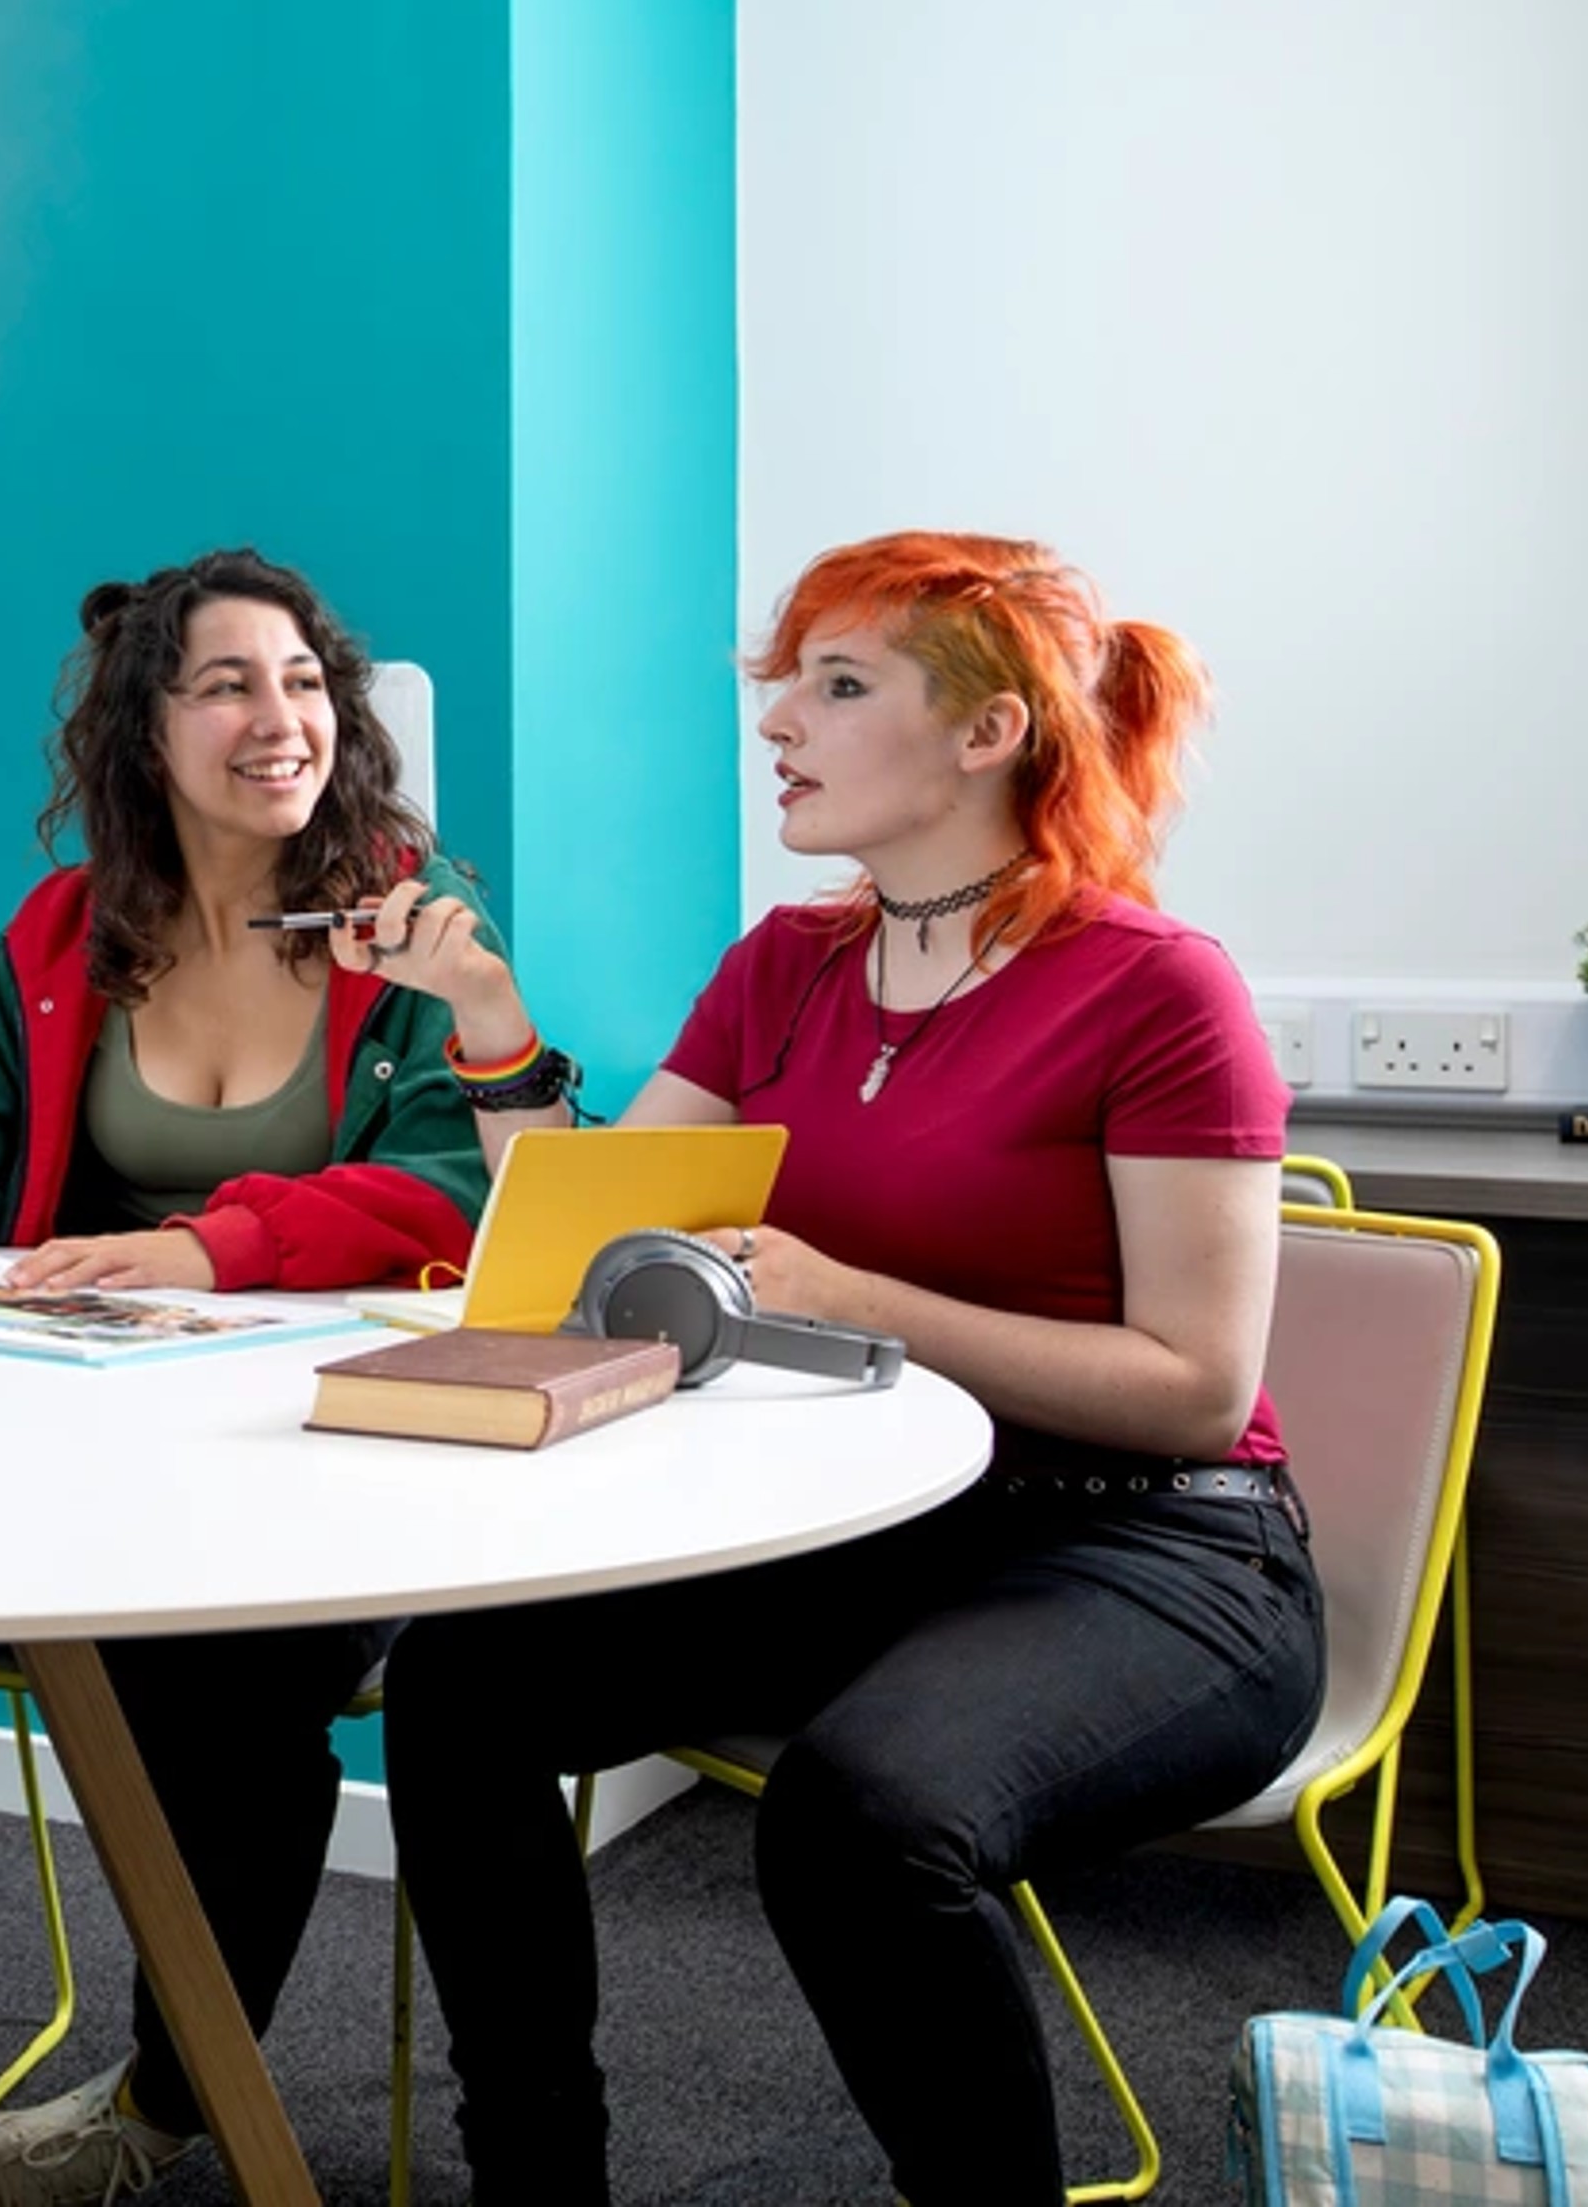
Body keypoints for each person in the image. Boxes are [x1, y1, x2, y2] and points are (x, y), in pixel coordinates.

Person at [384, 532, 1327, 2205]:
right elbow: (599, 1247)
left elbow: (1193, 1383)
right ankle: (536, 2178)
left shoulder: (1158, 989)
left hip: (1158, 1546)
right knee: (461, 1688)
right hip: (877, 1525)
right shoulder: (785, 967)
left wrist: (852, 1296)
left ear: (989, 733)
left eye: (838, 685)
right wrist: (487, 1020)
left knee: (859, 1814)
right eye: (785, 688)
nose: (780, 728)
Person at [0, 550, 576, 2207]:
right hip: (58, 1425)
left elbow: (461, 1192)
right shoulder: (65, 931)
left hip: (307, 1458)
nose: (283, 716)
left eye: (307, 681)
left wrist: (211, 1246)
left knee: (227, 1687)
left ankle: (167, 2099)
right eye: (230, 684)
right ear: (141, 726)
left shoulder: (409, 915)